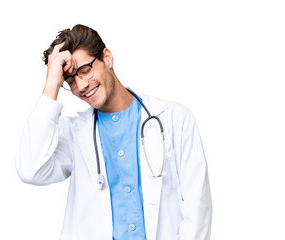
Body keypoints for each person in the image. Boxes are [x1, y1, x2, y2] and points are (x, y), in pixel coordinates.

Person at [16, 24, 212, 240]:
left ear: (107, 58)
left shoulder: (176, 118)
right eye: (70, 81)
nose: (80, 86)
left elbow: (197, 207)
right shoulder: (73, 134)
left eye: (85, 70)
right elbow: (30, 169)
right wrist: (52, 83)